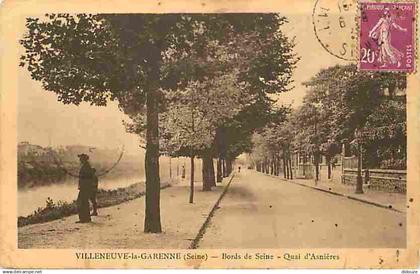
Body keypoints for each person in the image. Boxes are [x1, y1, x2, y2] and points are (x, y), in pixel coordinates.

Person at [76, 153, 93, 223]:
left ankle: (83, 219)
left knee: (81, 202)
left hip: (85, 187)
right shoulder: (86, 166)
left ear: (83, 159)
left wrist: (82, 185)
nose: (79, 160)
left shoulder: (86, 166)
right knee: (84, 202)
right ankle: (86, 218)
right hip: (85, 187)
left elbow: (87, 177)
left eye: (81, 158)